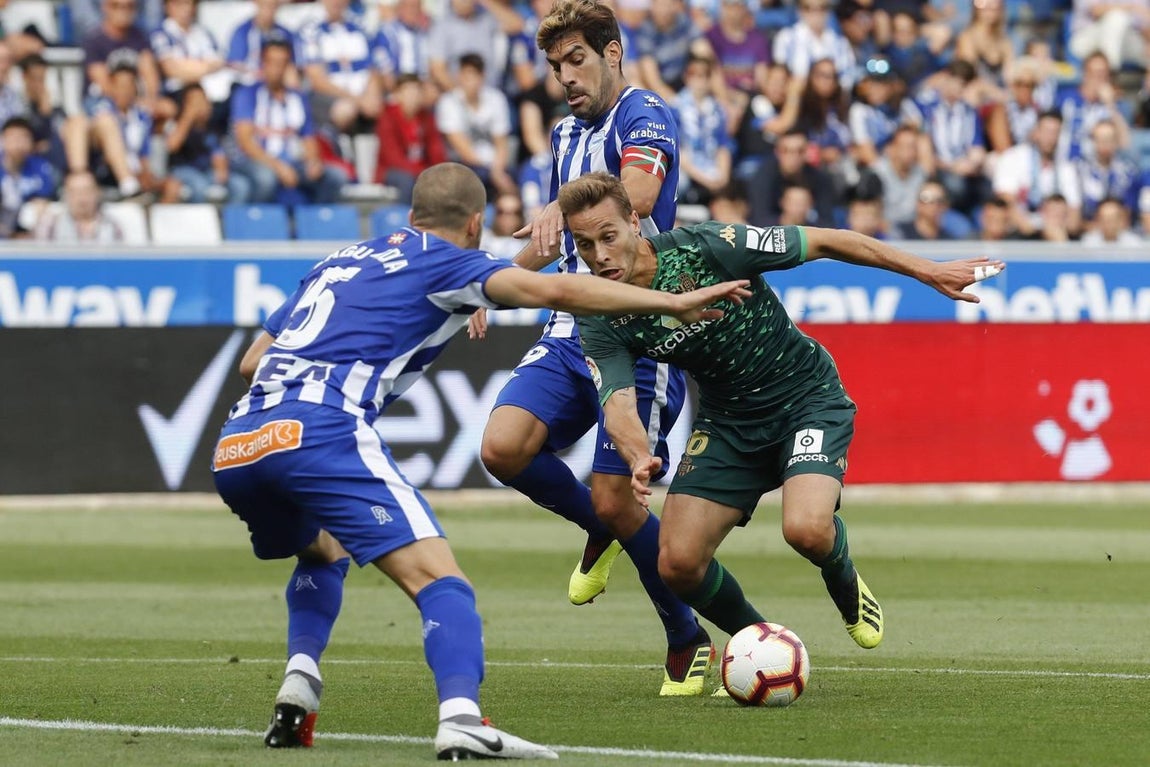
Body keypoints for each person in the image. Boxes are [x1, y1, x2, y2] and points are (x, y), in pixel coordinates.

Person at [210, 162, 748, 758]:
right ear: (475, 224)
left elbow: (252, 362)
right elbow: (560, 289)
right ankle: (462, 717)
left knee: (322, 548)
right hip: (321, 431)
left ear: (412, 216)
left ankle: (300, 684)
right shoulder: (449, 263)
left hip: (241, 440)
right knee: (442, 584)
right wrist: (669, 303)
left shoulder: (337, 261)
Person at [558, 170, 1005, 668]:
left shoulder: (710, 246)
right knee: (677, 565)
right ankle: (763, 645)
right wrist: (639, 455)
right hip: (727, 423)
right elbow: (617, 401)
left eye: (608, 236)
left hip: (805, 397)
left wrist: (927, 270)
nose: (598, 255)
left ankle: (842, 576)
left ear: (636, 223)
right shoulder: (599, 313)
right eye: (584, 244)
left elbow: (827, 241)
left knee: (806, 531)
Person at [471, 0, 720, 697]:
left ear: (612, 53)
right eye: (555, 67)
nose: (565, 77)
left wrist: (568, 206)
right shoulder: (560, 135)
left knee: (619, 496)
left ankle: (685, 631)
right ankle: (607, 528)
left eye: (575, 60)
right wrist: (485, 284)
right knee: (502, 447)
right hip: (568, 324)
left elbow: (636, 193)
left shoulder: (645, 115)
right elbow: (551, 239)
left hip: (640, 334)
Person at [231, 39, 348, 205]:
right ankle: (261, 224)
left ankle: (313, 225)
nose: (277, 69)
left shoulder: (298, 98)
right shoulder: (248, 95)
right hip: (257, 161)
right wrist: (278, 167)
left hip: (293, 162)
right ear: (263, 64)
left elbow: (308, 138)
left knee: (335, 177)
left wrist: (313, 162)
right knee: (266, 179)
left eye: (282, 63)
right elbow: (246, 142)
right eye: (272, 63)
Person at [33, 169, 125, 243]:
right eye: (75, 193)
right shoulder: (50, 224)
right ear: (66, 195)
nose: (82, 199)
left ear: (97, 193)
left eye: (87, 191)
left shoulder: (111, 225)